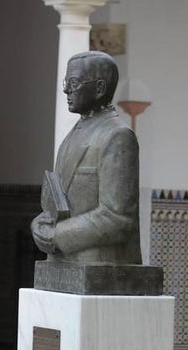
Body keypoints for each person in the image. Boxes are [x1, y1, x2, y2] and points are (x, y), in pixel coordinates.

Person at [31, 50, 140, 265]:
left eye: (74, 83)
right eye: (66, 83)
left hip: (100, 266)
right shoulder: (74, 133)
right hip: (66, 264)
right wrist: (41, 222)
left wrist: (57, 235)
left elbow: (118, 218)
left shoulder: (117, 136)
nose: (66, 90)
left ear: (99, 88)